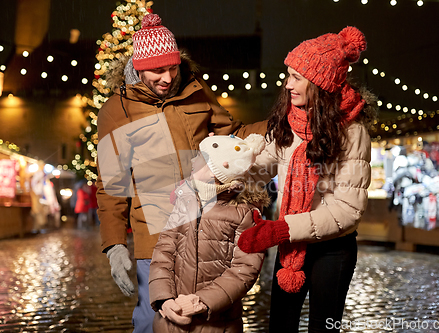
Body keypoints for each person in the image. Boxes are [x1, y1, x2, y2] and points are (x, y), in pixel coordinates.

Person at [95, 13, 267, 333]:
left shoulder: (196, 92)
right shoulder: (116, 111)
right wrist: (114, 245)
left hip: (207, 224)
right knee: (154, 320)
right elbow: (110, 184)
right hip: (155, 230)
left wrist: (280, 125)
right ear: (138, 67)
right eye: (157, 70)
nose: (167, 76)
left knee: (208, 318)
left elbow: (234, 135)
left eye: (172, 67)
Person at [237, 27, 378, 332]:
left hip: (333, 249)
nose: (287, 85)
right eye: (287, 75)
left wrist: (281, 229)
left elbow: (346, 210)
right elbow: (262, 167)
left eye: (296, 77)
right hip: (291, 243)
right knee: (280, 325)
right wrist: (227, 163)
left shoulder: (353, 133)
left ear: (319, 83)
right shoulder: (290, 121)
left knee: (322, 328)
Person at [149, 133, 268, 332]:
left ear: (216, 170)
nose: (194, 160)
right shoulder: (184, 199)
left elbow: (245, 269)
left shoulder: (245, 213)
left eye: (201, 157)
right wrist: (164, 300)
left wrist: (201, 302)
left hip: (217, 324)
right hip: (170, 321)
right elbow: (163, 253)